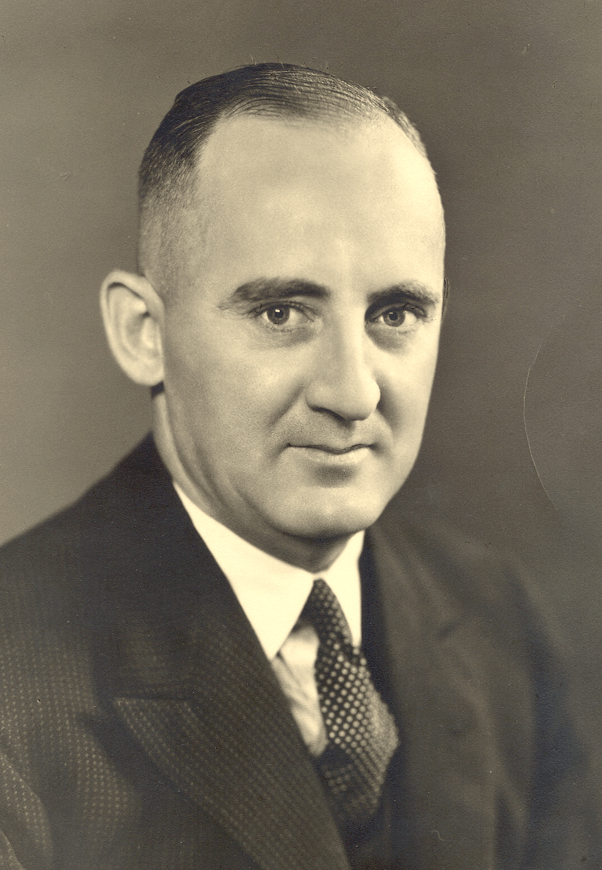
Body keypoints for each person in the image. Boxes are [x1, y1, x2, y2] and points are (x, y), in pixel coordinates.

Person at [0, 63, 598, 870]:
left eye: (395, 313)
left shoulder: (499, 622)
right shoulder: (15, 676)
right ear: (144, 332)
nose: (353, 393)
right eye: (281, 313)